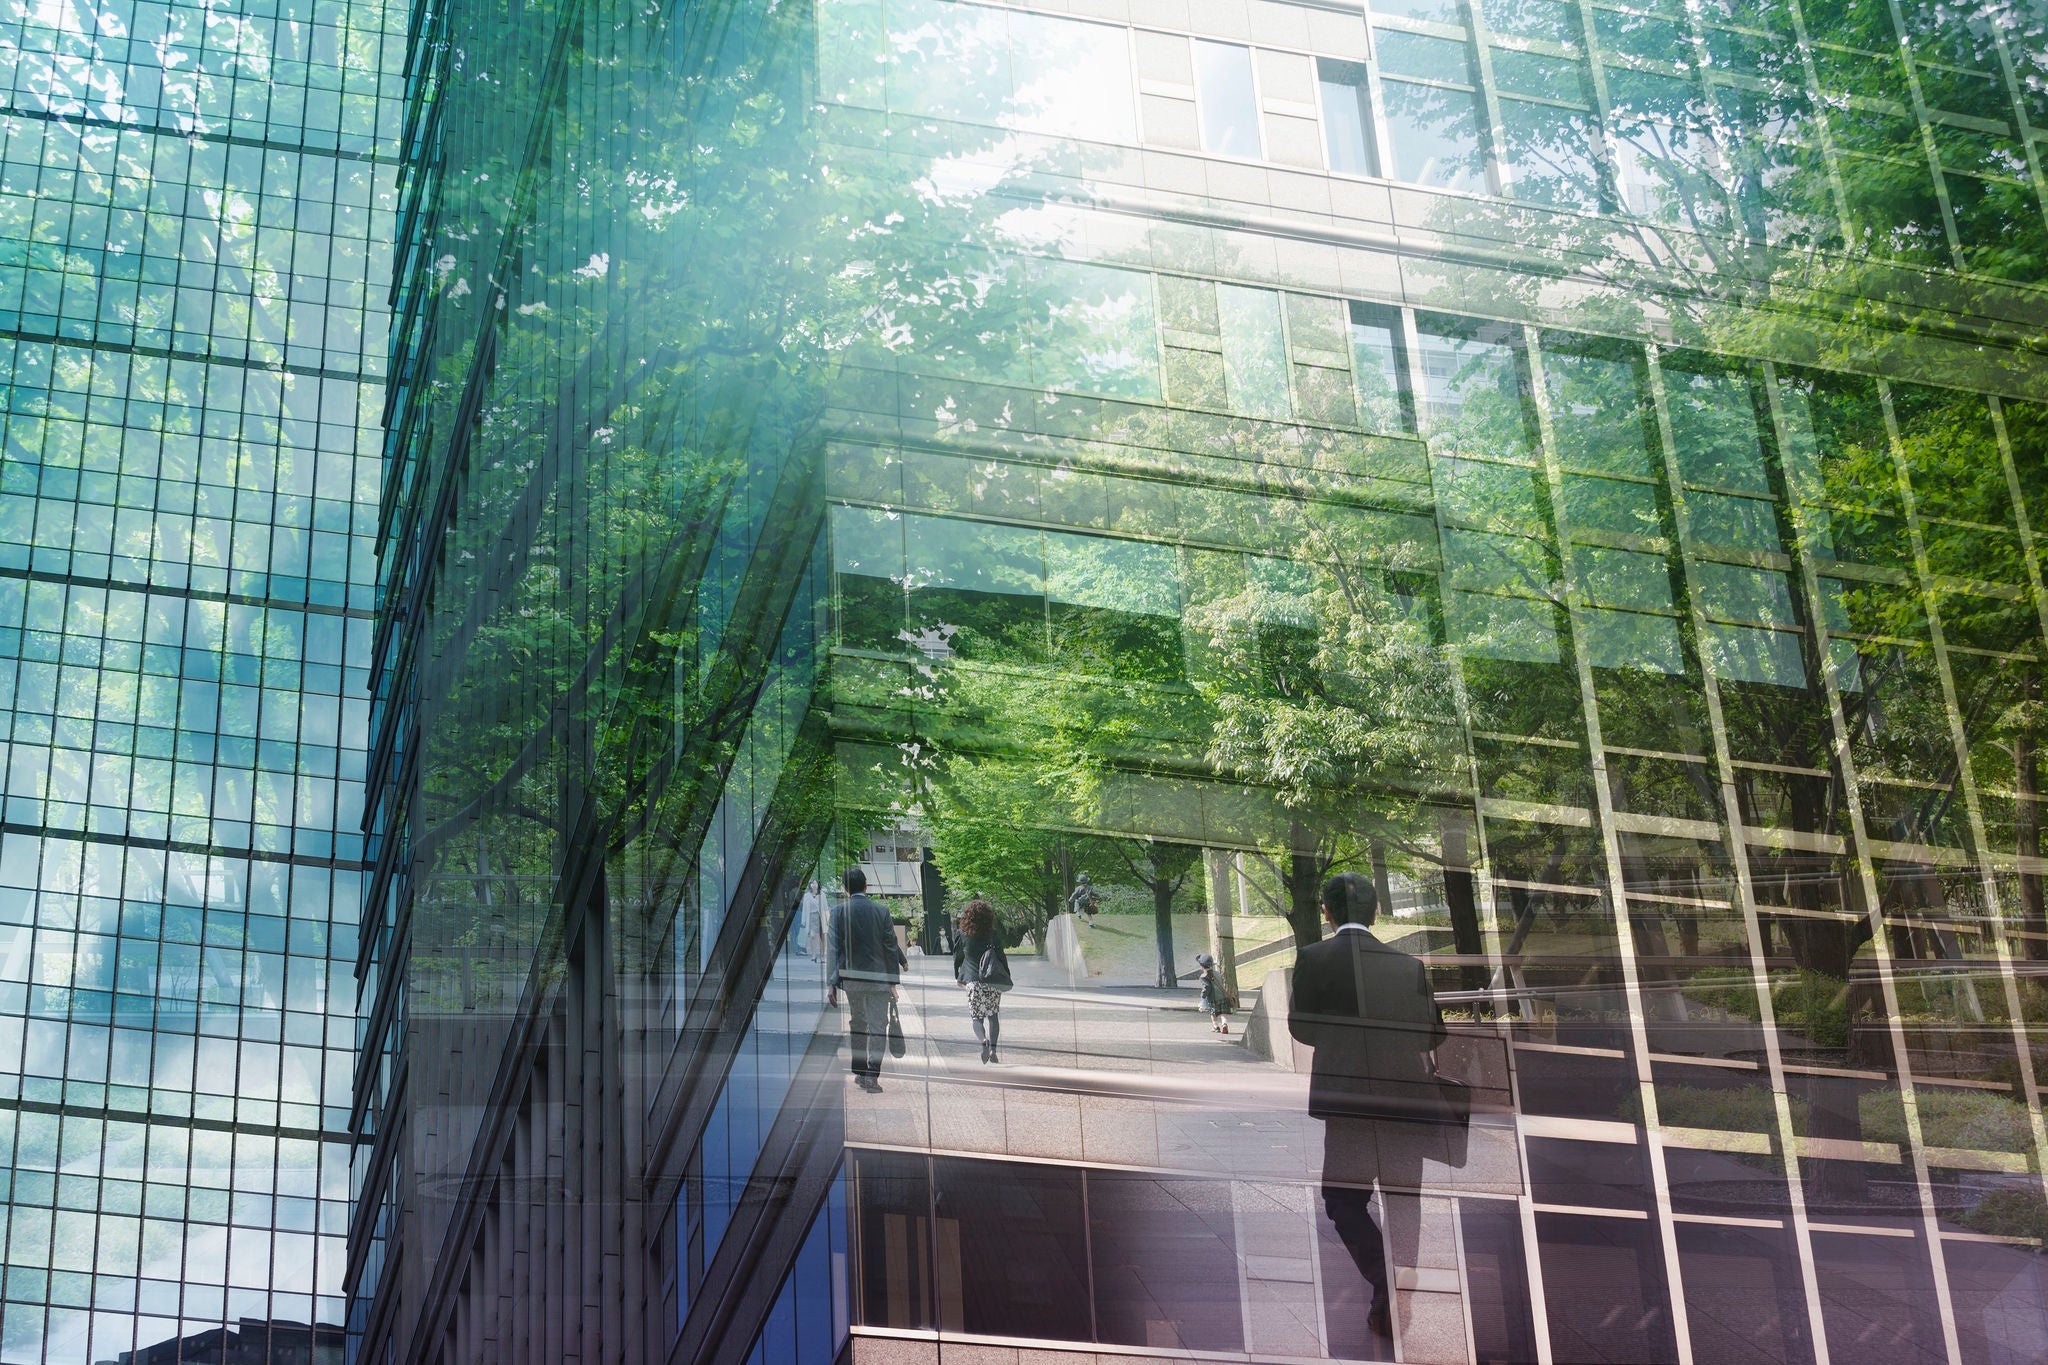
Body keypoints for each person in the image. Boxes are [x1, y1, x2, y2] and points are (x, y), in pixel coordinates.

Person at [1287, 871, 1447, 1347]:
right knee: (1403, 1202)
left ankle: (1385, 1283)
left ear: (1326, 912)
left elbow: (1302, 1028)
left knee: (1342, 1200)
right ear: (1376, 911)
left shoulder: (1313, 959)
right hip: (1402, 1098)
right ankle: (1395, 1290)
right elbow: (1433, 1033)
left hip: (1347, 1100)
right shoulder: (1406, 965)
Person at [828, 867, 906, 1092]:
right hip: (879, 980)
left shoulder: (838, 912)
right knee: (878, 1025)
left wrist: (831, 984)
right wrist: (892, 981)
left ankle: (861, 1072)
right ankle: (872, 1076)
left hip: (852, 981)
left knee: (858, 1023)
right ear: (865, 886)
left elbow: (833, 950)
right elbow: (890, 947)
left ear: (845, 889)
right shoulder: (881, 911)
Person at [951, 898, 1013, 1063]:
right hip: (991, 980)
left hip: (972, 982)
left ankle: (983, 1041)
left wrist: (958, 976)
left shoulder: (962, 934)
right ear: (988, 916)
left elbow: (957, 957)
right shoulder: (993, 934)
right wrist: (1006, 976)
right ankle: (993, 1050)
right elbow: (1001, 957)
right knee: (993, 1016)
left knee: (976, 1017)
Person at [1195, 952, 1234, 1033]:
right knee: (1223, 1012)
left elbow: (1207, 987)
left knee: (1213, 1013)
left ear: (1202, 965)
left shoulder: (1203, 976)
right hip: (1222, 996)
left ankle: (1216, 1027)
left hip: (1213, 998)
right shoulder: (1217, 973)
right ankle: (1224, 1024)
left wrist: (1203, 996)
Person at [799, 879, 826, 959]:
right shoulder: (807, 895)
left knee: (822, 936)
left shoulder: (822, 894)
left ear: (818, 884)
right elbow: (804, 908)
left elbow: (825, 907)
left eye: (815, 883)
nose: (814, 885)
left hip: (820, 916)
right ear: (810, 885)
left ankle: (823, 954)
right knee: (812, 936)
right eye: (812, 883)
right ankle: (813, 954)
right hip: (811, 917)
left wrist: (827, 917)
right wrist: (803, 920)